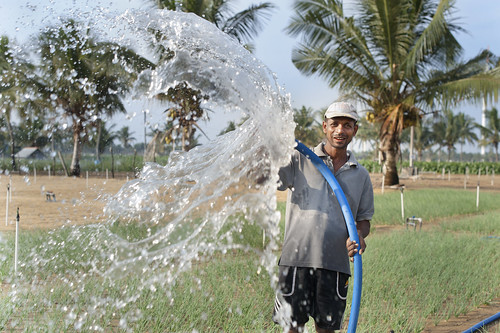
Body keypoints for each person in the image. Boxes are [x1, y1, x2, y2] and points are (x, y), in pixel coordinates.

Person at [273, 101, 374, 333]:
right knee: (292, 328)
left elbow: (363, 220)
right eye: (335, 124)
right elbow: (269, 179)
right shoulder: (300, 159)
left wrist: (359, 234)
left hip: (335, 264)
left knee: (327, 329)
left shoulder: (361, 174)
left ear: (355, 130)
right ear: (325, 127)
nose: (340, 130)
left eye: (347, 125)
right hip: (296, 260)